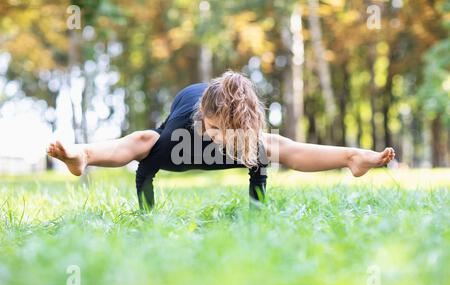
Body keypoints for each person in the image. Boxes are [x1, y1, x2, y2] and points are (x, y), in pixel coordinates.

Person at [47, 70, 395, 210]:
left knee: (277, 145)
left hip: (237, 120)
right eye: (215, 130)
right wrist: (146, 216)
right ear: (202, 120)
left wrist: (256, 213)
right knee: (143, 138)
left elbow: (260, 174)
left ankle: (353, 158)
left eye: (229, 133)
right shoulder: (184, 128)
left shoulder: (246, 136)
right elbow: (144, 172)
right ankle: (83, 155)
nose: (220, 140)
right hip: (179, 140)